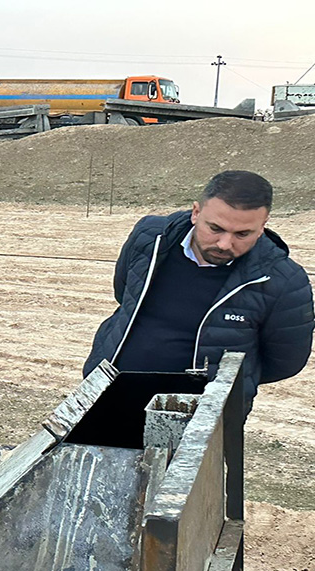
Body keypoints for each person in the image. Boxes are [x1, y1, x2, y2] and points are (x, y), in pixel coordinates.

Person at [84, 170, 313, 412]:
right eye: (215, 228)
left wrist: (221, 383)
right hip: (107, 391)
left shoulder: (283, 281)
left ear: (262, 227)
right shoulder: (151, 238)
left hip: (199, 417)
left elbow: (284, 362)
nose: (225, 244)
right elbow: (125, 295)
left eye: (242, 234)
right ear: (196, 213)